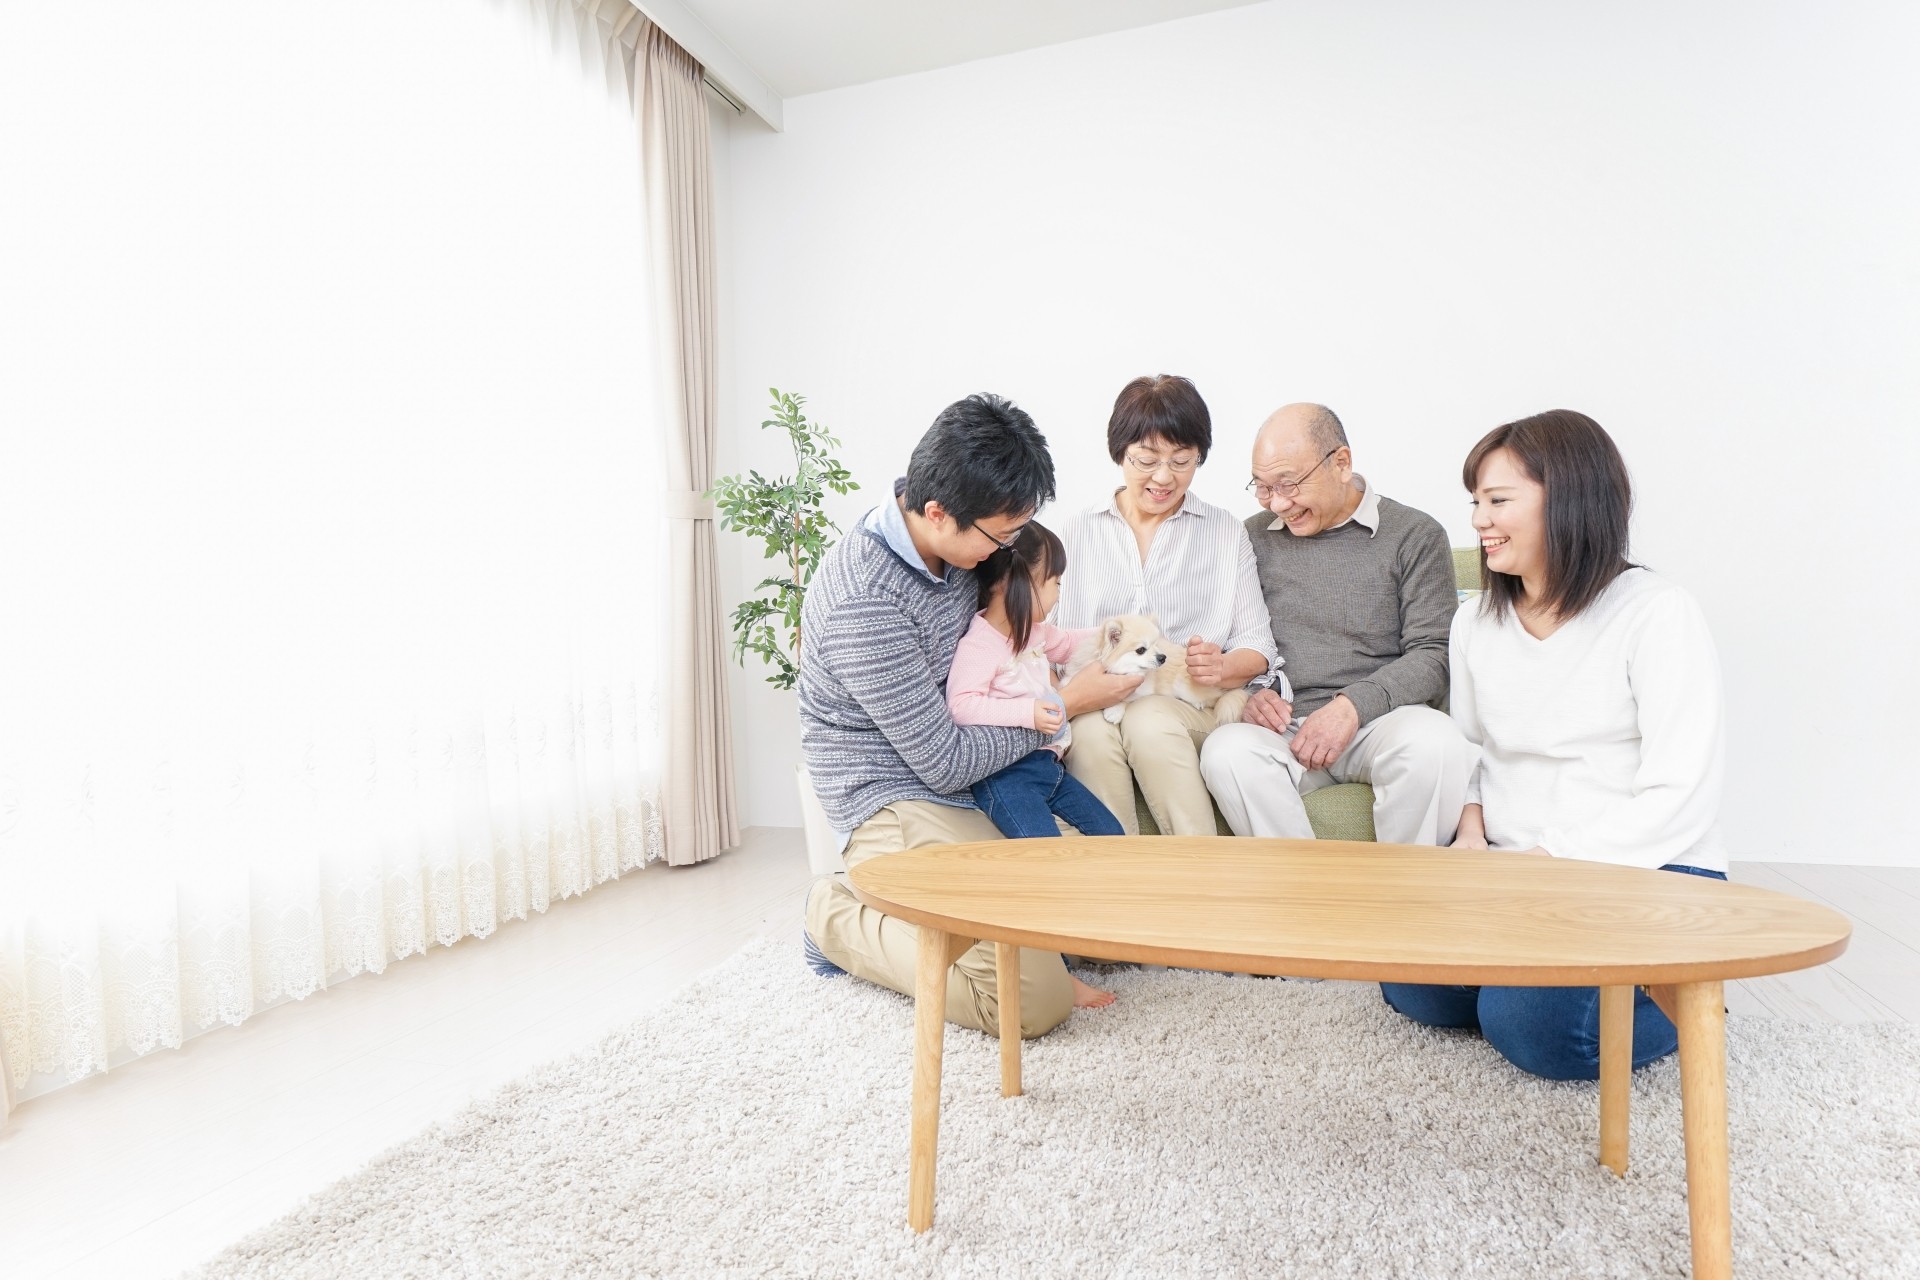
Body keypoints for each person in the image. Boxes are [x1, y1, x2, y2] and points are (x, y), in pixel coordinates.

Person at [1380, 409, 1728, 1081]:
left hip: (1641, 869)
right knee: (1410, 984)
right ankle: (1537, 980)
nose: (1479, 519)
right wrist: (1473, 842)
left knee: (1533, 1030)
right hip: (1518, 874)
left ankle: (1691, 993)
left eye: (1499, 501)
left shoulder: (1656, 612)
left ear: (1567, 500)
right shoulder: (1476, 621)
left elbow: (1682, 791)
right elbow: (1472, 746)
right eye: (1475, 502)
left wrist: (1546, 863)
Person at [798, 394, 1143, 1040]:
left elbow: (1021, 642)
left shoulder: (963, 552)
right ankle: (835, 915)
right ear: (937, 512)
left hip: (975, 785)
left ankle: (974, 920)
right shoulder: (863, 601)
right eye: (1003, 534)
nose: (1008, 550)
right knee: (1034, 1003)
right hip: (895, 798)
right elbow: (942, 758)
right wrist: (1060, 708)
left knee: (1103, 905)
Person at [1199, 403, 1476, 845]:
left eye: (1288, 484)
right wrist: (1247, 695)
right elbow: (1234, 638)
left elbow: (1435, 651)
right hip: (1284, 727)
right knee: (1226, 752)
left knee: (1437, 744)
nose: (1279, 503)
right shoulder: (1248, 538)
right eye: (1264, 487)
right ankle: (1302, 899)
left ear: (1341, 463)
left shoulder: (1414, 534)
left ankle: (1404, 896)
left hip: (1381, 721)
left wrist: (1352, 706)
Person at [1052, 375, 1280, 836]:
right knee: (1091, 733)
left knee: (1148, 718)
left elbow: (1259, 646)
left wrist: (1221, 666)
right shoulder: (1075, 533)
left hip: (1184, 703)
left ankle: (1198, 873)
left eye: (1182, 461)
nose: (1163, 477)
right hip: (1094, 703)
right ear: (1120, 453)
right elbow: (1043, 638)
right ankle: (1115, 884)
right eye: (1146, 460)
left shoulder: (1224, 532)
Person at [947, 520, 1122, 1010]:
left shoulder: (1037, 633)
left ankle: (1108, 937)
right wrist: (1025, 713)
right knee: (1046, 866)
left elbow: (1075, 643)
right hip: (1007, 780)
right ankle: (1062, 975)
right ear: (1014, 580)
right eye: (1055, 580)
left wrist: (1120, 634)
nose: (1060, 590)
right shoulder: (980, 643)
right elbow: (962, 706)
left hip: (1048, 768)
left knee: (1111, 836)